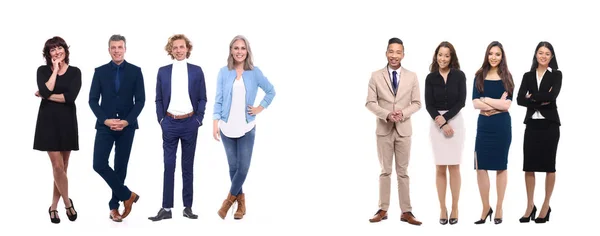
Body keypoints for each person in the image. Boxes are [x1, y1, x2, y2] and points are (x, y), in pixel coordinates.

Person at [213, 35, 276, 220]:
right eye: (236, 48)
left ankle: (227, 202)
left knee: (243, 168)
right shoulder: (223, 72)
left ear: (247, 51)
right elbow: (218, 99)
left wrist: (259, 108)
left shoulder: (254, 72)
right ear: (231, 51)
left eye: (242, 48)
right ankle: (241, 203)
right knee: (233, 168)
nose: (239, 51)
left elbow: (271, 91)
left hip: (247, 127)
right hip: (226, 127)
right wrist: (215, 123)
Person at [149, 34, 207, 221]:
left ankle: (187, 207)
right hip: (170, 123)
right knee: (169, 165)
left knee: (187, 166)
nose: (179, 50)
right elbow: (158, 98)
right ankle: (166, 208)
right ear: (170, 50)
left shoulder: (197, 71)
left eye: (182, 47)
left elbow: (202, 98)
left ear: (187, 49)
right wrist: (161, 120)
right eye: (175, 47)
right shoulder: (163, 71)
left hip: (190, 123)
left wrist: (198, 120)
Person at [365, 37, 422, 225]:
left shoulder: (412, 76)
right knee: (385, 171)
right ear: (386, 53)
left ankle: (406, 211)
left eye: (398, 52)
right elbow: (370, 103)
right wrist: (387, 115)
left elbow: (417, 103)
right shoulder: (375, 75)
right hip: (384, 129)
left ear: (403, 54)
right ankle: (383, 209)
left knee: (403, 172)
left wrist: (403, 113)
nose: (394, 55)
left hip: (404, 130)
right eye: (391, 51)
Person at [89, 34, 145, 222]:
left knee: (121, 166)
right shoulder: (100, 71)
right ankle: (127, 195)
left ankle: (114, 208)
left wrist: (127, 121)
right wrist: (105, 120)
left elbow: (141, 101)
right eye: (113, 47)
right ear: (109, 49)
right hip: (105, 126)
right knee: (99, 164)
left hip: (127, 127)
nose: (117, 50)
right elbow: (92, 100)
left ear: (125, 49)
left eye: (120, 47)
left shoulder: (136, 71)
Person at [33, 36, 81, 224]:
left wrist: (45, 94)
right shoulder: (43, 71)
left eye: (59, 48)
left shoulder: (75, 72)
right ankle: (68, 203)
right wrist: (54, 72)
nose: (57, 52)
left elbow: (70, 98)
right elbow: (47, 91)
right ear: (48, 54)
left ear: (65, 50)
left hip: (67, 121)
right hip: (48, 122)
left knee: (63, 167)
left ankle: (53, 207)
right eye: (53, 50)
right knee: (57, 166)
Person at [516, 41, 561, 224]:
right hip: (532, 125)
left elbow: (552, 96)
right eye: (540, 52)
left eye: (547, 53)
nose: (543, 56)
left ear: (551, 57)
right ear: (536, 55)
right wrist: (539, 100)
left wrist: (531, 96)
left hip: (550, 125)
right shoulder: (528, 76)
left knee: (549, 166)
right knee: (529, 165)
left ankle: (545, 205)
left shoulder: (556, 75)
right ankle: (529, 206)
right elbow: (519, 99)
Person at [471, 41, 514, 225]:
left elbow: (507, 105)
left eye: (497, 54)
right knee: (481, 167)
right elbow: (474, 103)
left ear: (502, 56)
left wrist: (486, 99)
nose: (494, 57)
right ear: (487, 55)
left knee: (501, 166)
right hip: (484, 127)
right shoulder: (479, 75)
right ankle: (485, 207)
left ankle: (499, 207)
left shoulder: (507, 77)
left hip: (501, 126)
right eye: (491, 53)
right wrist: (495, 104)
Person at [424, 41, 467, 225]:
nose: (443, 58)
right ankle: (442, 207)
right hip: (436, 123)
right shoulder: (430, 78)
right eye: (440, 55)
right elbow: (428, 104)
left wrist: (447, 119)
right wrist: (441, 123)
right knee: (440, 167)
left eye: (446, 55)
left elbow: (461, 101)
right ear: (436, 56)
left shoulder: (459, 75)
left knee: (455, 166)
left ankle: (455, 207)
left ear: (452, 57)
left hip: (455, 120)